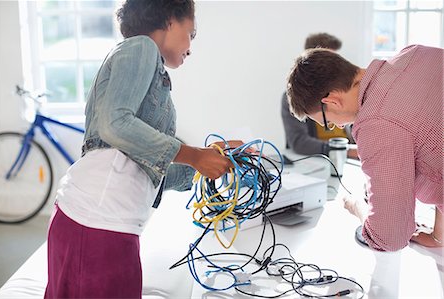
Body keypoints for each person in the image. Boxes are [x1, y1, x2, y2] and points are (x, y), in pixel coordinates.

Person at [44, 1, 238, 298]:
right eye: (192, 33)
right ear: (171, 20)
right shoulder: (141, 48)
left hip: (109, 225)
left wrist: (213, 159)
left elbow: (150, 170)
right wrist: (195, 156)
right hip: (95, 222)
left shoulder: (144, 63)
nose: (191, 46)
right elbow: (114, 124)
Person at [285, 45, 443, 251]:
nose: (338, 127)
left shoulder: (375, 124)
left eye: (328, 122)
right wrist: (439, 236)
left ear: (332, 101)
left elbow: (389, 237)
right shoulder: (415, 54)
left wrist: (358, 207)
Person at [281, 32, 358, 159]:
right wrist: (344, 150)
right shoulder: (297, 98)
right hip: (322, 159)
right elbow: (299, 142)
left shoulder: (345, 90)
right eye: (329, 61)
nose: (336, 67)